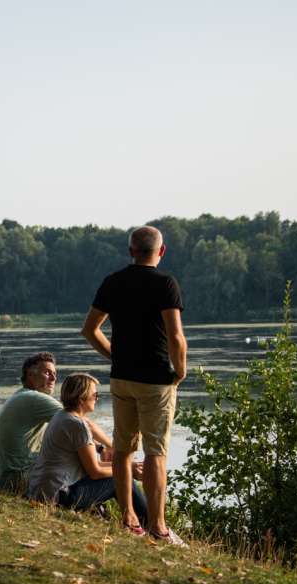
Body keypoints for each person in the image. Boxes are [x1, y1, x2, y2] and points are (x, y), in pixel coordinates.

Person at [81, 226, 187, 544]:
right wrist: (180, 371)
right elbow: (176, 337)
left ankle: (128, 518)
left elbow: (90, 330)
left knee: (123, 449)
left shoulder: (113, 281)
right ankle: (158, 526)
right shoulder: (166, 283)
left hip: (122, 378)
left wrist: (115, 355)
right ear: (161, 251)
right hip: (156, 380)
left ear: (131, 251)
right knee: (156, 452)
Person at [27, 373, 148, 525]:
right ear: (81, 399)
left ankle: (143, 522)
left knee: (121, 473)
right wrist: (128, 470)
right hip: (58, 497)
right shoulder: (77, 425)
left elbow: (90, 465)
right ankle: (150, 524)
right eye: (95, 395)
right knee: (120, 479)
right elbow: (95, 471)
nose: (97, 399)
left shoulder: (62, 416)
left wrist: (127, 465)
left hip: (42, 492)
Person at [0, 352, 111, 494]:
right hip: (18, 480)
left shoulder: (21, 395)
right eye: (47, 373)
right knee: (80, 461)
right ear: (30, 375)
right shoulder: (34, 398)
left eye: (55, 374)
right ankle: (85, 496)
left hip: (7, 479)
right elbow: (78, 421)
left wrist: (99, 448)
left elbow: (77, 433)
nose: (54, 378)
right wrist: (111, 447)